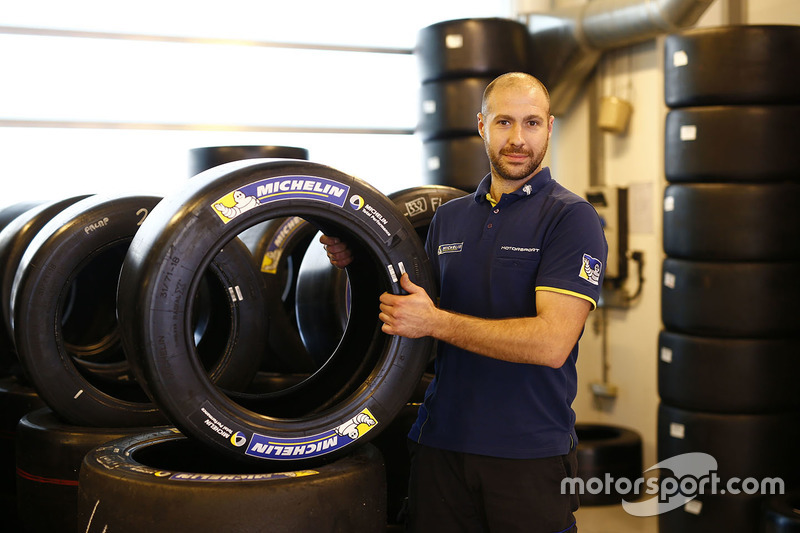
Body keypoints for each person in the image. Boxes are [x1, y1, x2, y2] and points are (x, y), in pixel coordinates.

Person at [321, 72, 607, 533]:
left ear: (550, 127)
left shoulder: (571, 219)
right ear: (481, 125)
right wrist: (356, 260)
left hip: (528, 453)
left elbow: (552, 342)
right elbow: (408, 310)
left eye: (532, 123)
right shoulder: (450, 218)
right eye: (504, 123)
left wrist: (436, 323)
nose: (518, 139)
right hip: (441, 445)